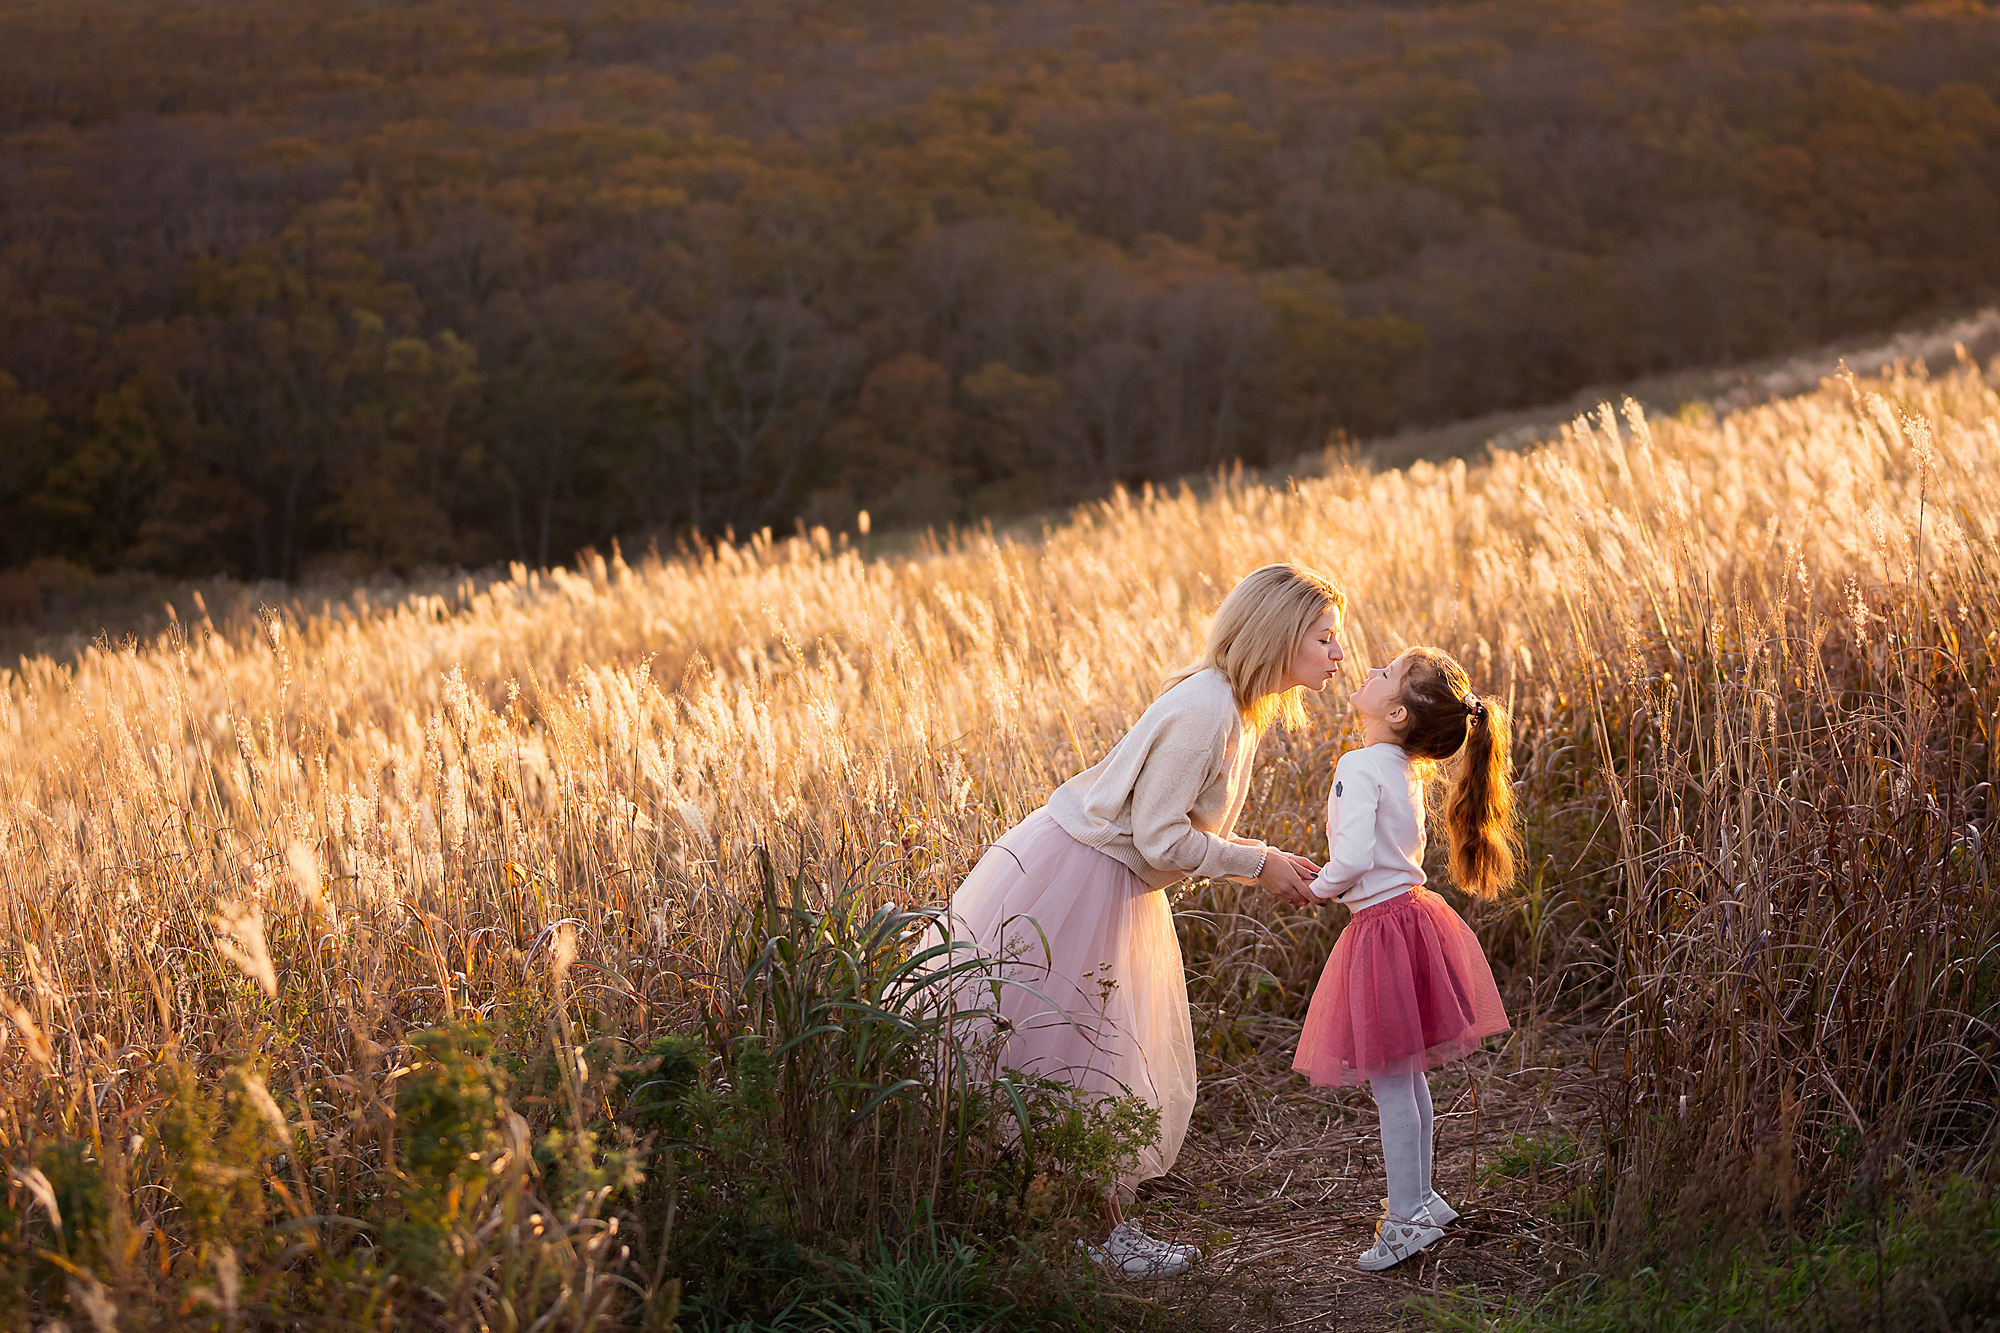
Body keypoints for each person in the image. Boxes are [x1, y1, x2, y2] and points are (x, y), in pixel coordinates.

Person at [938, 563, 1343, 1278]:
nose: (1338, 653)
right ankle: (1095, 1238)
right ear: (1280, 638)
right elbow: (1159, 838)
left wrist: (1264, 856)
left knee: (1076, 1052)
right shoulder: (1207, 710)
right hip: (1082, 878)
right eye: (1323, 637)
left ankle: (1066, 1225)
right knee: (1086, 1055)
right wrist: (1259, 862)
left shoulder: (1231, 706)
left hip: (1100, 873)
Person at [1277, 645, 1515, 1271]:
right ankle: (1423, 1199)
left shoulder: (1360, 764)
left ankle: (1407, 1218)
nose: (1370, 672)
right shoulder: (1404, 769)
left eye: (1386, 675)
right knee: (1407, 1078)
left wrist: (1317, 885)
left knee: (1391, 1084)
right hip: (1412, 916)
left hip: (1381, 928)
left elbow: (1352, 860)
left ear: (1400, 713)